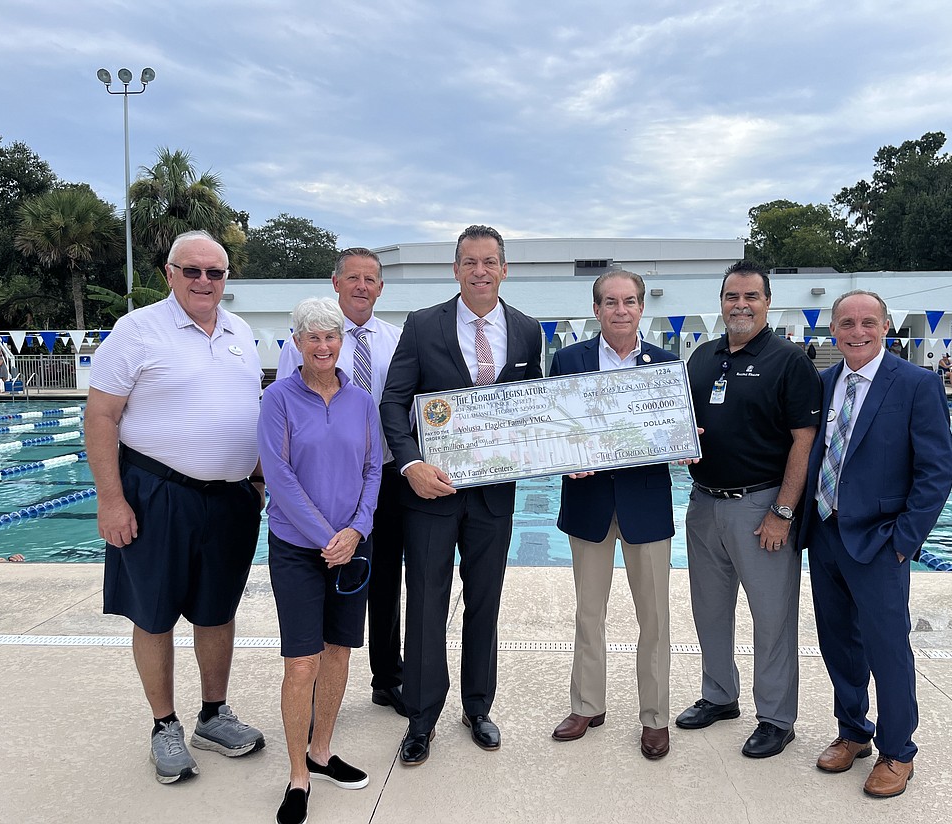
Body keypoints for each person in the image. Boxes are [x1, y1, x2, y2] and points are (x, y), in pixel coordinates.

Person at [86, 230, 266, 785]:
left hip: (230, 498)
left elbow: (252, 413)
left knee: (218, 610)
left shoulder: (241, 333)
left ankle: (213, 714)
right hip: (157, 493)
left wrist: (258, 485)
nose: (204, 282)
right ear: (170, 273)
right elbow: (100, 418)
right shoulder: (137, 330)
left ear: (226, 279)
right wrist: (111, 500)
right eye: (192, 271)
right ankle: (164, 724)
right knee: (155, 612)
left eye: (215, 273)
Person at [380, 225, 543, 766]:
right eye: (469, 262)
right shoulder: (424, 325)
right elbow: (393, 403)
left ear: (503, 269)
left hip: (493, 496)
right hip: (431, 493)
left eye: (489, 261)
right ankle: (421, 716)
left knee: (484, 604)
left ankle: (478, 706)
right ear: (455, 269)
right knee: (425, 606)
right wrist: (410, 465)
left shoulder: (525, 330)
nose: (480, 271)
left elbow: (532, 407)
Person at [798, 290, 952, 798]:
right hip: (825, 532)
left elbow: (936, 471)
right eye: (847, 323)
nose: (857, 331)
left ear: (886, 326)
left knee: (887, 648)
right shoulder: (824, 383)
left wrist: (905, 540)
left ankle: (897, 750)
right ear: (833, 330)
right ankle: (853, 731)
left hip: (881, 539)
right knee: (838, 642)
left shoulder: (915, 384)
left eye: (868, 322)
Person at [677, 260, 821, 759]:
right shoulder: (702, 356)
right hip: (704, 504)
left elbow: (804, 440)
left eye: (751, 297)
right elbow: (683, 424)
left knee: (772, 617)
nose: (740, 305)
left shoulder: (788, 360)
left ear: (767, 302)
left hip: (761, 506)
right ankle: (720, 695)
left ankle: (777, 718)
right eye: (731, 296)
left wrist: (783, 511)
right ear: (721, 302)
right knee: (709, 610)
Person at [259, 297, 382, 824]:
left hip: (351, 547)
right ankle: (297, 775)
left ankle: (322, 750)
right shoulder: (278, 399)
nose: (324, 345)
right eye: (313, 337)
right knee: (301, 661)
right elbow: (278, 477)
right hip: (297, 549)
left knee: (338, 654)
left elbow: (375, 469)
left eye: (332, 336)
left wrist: (356, 530)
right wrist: (326, 537)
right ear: (297, 343)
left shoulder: (361, 402)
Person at [548, 270, 676, 760]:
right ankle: (587, 705)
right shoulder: (568, 360)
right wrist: (565, 459)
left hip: (645, 504)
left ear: (642, 307)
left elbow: (671, 431)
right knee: (588, 613)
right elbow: (551, 425)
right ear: (596, 310)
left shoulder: (665, 365)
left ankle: (656, 717)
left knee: (656, 620)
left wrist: (685, 442)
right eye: (610, 302)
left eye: (629, 301)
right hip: (589, 503)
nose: (620, 310)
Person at [275, 249, 407, 716]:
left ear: (380, 287)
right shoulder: (310, 341)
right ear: (336, 282)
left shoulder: (396, 339)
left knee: (385, 578)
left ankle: (388, 678)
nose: (362, 286)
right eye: (353, 278)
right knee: (320, 581)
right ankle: (313, 691)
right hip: (320, 484)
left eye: (370, 279)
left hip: (384, 475)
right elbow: (286, 408)